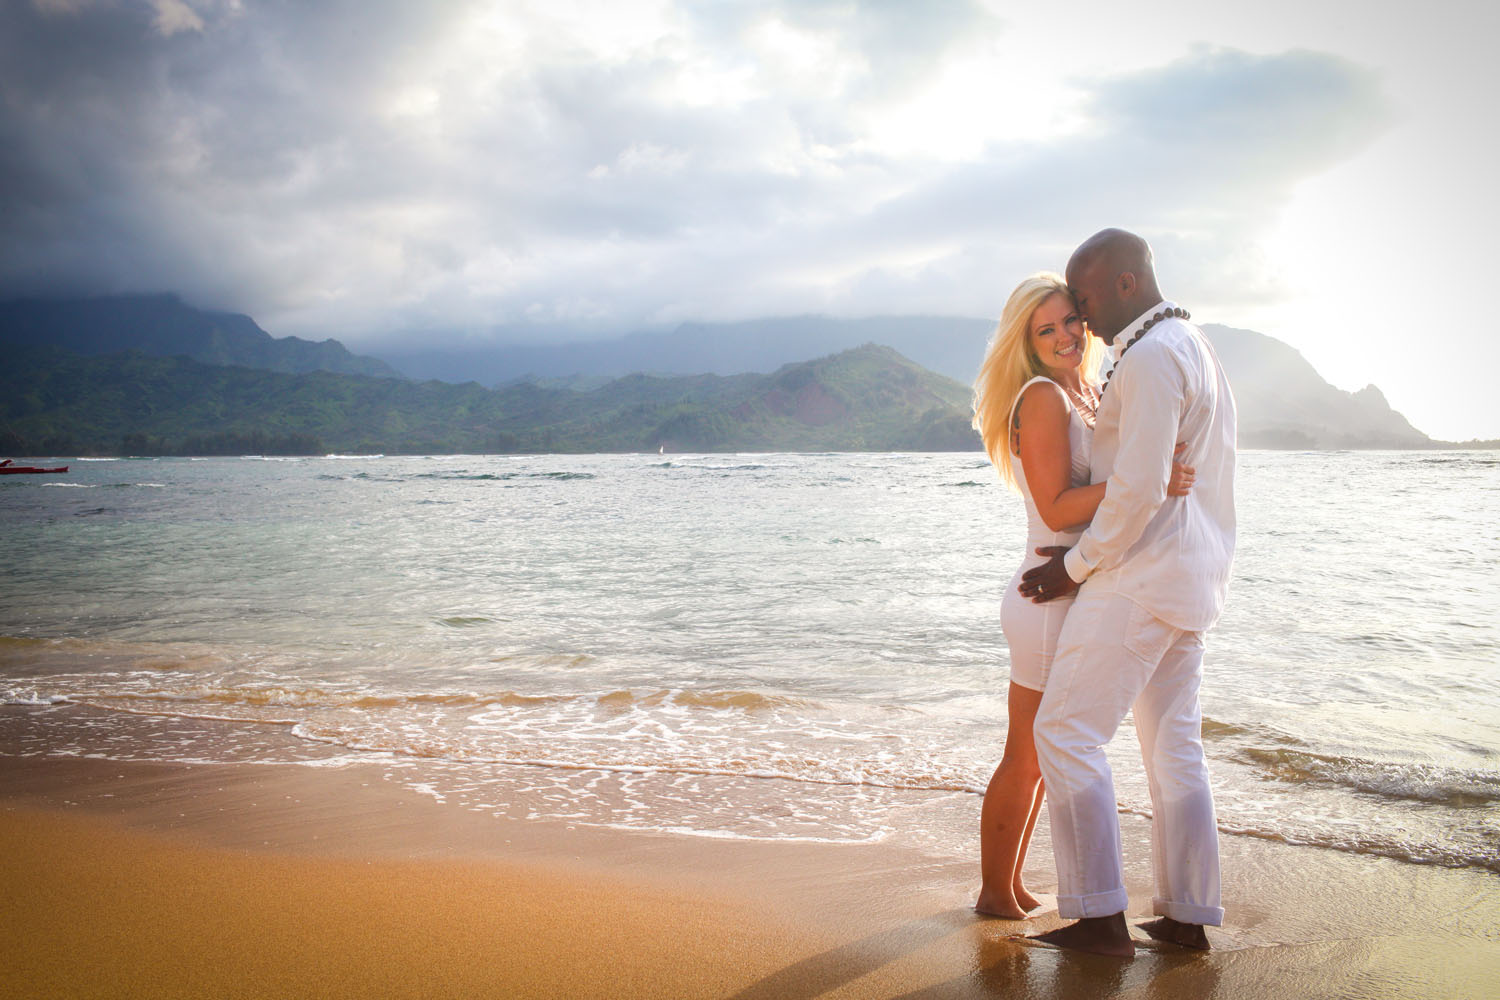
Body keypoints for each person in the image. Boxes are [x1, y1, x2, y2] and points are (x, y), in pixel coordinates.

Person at [1020, 229, 1237, 957]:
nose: (1079, 318)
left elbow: (1138, 489)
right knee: (1174, 748)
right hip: (1193, 577)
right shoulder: (1193, 344)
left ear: (1120, 283)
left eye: (1082, 298)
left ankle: (1098, 918)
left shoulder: (1146, 358)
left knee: (1065, 732)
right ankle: (1185, 915)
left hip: (1138, 576)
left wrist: (1072, 570)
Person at [970, 272, 1193, 920]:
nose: (1067, 335)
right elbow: (1058, 506)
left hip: (1074, 586)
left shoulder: (1088, 389)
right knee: (1028, 751)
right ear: (1027, 342)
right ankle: (993, 891)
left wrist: (1147, 476)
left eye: (1071, 320)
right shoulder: (1041, 396)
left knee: (1044, 753)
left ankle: (1008, 884)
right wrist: (1145, 478)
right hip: (1046, 595)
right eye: (1047, 329)